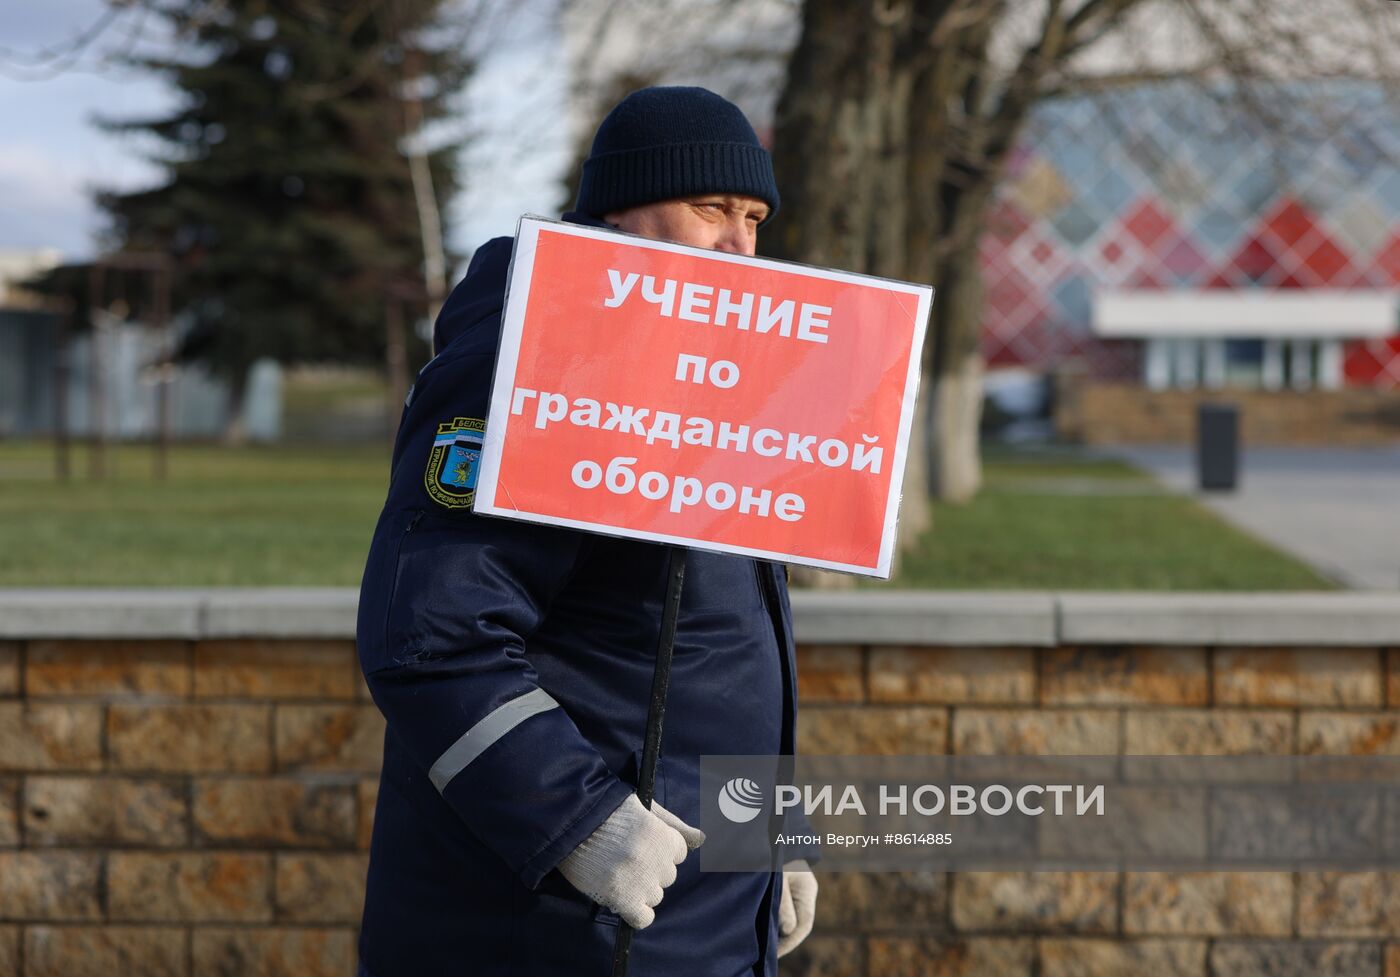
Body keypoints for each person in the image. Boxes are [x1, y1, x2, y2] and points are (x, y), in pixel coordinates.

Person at [355, 85, 819, 977]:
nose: (739, 244)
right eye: (711, 208)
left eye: (754, 217)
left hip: (690, 924)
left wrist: (768, 836)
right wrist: (578, 822)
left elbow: (711, 651)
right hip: (549, 928)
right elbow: (430, 636)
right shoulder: (533, 354)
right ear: (622, 208)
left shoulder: (705, 381)